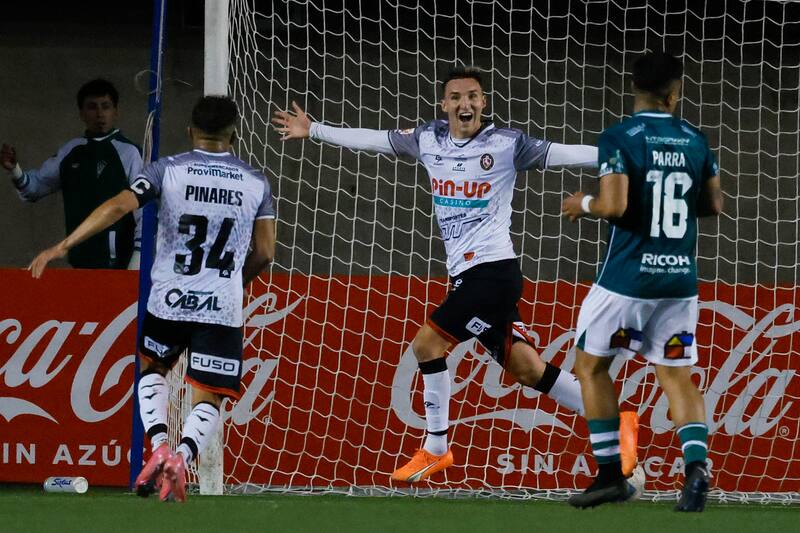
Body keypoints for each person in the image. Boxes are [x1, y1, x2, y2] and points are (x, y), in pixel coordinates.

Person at [273, 67, 638, 484]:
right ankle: (616, 417)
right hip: (466, 276)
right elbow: (375, 139)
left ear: (483, 103)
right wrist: (315, 129)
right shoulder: (428, 139)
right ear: (444, 104)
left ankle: (436, 447)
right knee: (527, 369)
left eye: (473, 96)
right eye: (456, 97)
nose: (465, 104)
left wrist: (614, 152)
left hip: (494, 274)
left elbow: (562, 152)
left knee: (427, 345)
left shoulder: (506, 144)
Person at [29, 96, 277, 503]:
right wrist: (232, 283)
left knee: (154, 368)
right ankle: (182, 457)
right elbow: (266, 252)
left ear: (189, 131)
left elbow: (117, 207)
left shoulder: (168, 170)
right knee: (208, 393)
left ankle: (159, 445)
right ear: (236, 134)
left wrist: (63, 245)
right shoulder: (256, 182)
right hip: (222, 305)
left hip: (169, 300)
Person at [561, 52, 723, 511]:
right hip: (678, 282)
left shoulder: (620, 137)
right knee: (675, 373)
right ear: (675, 93)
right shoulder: (695, 139)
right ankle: (696, 470)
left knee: (591, 366)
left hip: (626, 282)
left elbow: (613, 206)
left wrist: (583, 204)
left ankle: (611, 474)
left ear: (635, 89)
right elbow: (713, 205)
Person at [2, 78, 143, 269]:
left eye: (106, 106)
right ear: (82, 113)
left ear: (116, 111)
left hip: (121, 263)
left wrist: (138, 256)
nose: (100, 113)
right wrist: (14, 170)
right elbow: (34, 188)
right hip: (79, 261)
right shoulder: (70, 151)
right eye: (92, 107)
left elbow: (145, 207)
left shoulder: (130, 152)